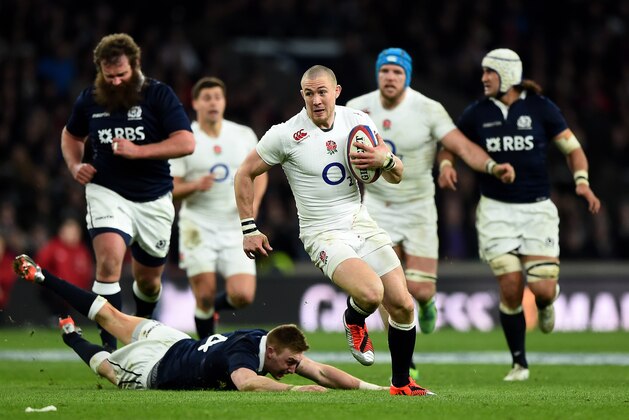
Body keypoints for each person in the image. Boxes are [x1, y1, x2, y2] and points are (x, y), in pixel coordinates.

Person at [234, 65, 433, 396]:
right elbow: (244, 173)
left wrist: (385, 160)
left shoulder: (357, 121)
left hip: (359, 221)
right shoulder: (285, 134)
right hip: (321, 233)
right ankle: (354, 319)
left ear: (336, 91)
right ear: (302, 96)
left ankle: (401, 384)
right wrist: (248, 226)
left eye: (322, 92)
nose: (316, 100)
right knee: (371, 294)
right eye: (309, 93)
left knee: (403, 305)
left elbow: (397, 173)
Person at [346, 48, 515, 379]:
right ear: (377, 75)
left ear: (406, 76)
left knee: (419, 290)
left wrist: (492, 167)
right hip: (377, 207)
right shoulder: (357, 110)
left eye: (396, 72)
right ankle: (403, 356)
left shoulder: (427, 109)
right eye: (384, 72)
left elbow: (462, 146)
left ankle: (426, 303)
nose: (390, 78)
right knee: (387, 288)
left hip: (419, 208)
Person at [438, 48, 601, 381]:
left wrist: (581, 183)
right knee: (511, 287)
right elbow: (451, 143)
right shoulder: (477, 112)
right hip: (495, 211)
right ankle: (519, 363)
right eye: (482, 72)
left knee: (541, 289)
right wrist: (445, 165)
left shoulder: (541, 108)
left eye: (489, 72)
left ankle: (545, 304)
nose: (483, 78)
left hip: (537, 209)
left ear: (508, 75)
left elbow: (573, 149)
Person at [13, 254, 390, 393]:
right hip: (158, 367)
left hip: (176, 341)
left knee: (113, 316)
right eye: (290, 364)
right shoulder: (248, 355)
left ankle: (42, 275)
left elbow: (320, 372)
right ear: (271, 352)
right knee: (110, 371)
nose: (293, 370)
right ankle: (73, 338)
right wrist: (295, 393)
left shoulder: (267, 342)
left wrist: (369, 388)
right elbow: (247, 383)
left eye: (294, 366)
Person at [60, 33, 195, 352]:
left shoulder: (158, 95)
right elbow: (70, 135)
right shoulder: (90, 98)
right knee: (108, 263)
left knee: (148, 282)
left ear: (135, 65)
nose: (117, 81)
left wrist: (139, 151)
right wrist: (74, 165)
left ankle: (140, 333)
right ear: (100, 72)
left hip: (155, 196)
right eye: (110, 76)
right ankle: (112, 349)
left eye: (122, 74)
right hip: (107, 191)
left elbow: (186, 142)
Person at [170, 77, 268, 338]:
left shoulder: (242, 135)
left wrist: (254, 204)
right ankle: (205, 348)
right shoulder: (185, 140)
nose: (213, 102)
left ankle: (211, 310)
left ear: (224, 102)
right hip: (197, 225)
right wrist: (194, 186)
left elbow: (261, 174)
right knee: (203, 294)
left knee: (243, 295)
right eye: (207, 98)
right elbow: (171, 188)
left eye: (217, 97)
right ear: (195, 103)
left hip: (235, 225)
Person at [35, 217, 94, 318]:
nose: (73, 235)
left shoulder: (82, 251)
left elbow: (87, 272)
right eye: (70, 232)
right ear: (62, 232)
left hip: (77, 294)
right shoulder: (53, 247)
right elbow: (39, 265)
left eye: (75, 232)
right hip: (57, 293)